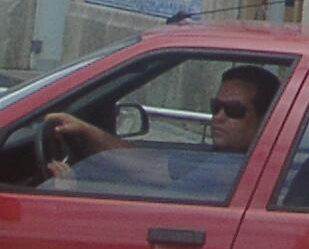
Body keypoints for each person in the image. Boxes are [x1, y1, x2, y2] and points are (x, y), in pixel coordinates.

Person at [43, 64, 281, 179]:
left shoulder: (230, 173)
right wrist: (87, 130)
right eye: (215, 106)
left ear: (264, 120)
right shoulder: (218, 160)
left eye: (233, 110)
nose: (218, 116)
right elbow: (149, 165)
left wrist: (69, 193)